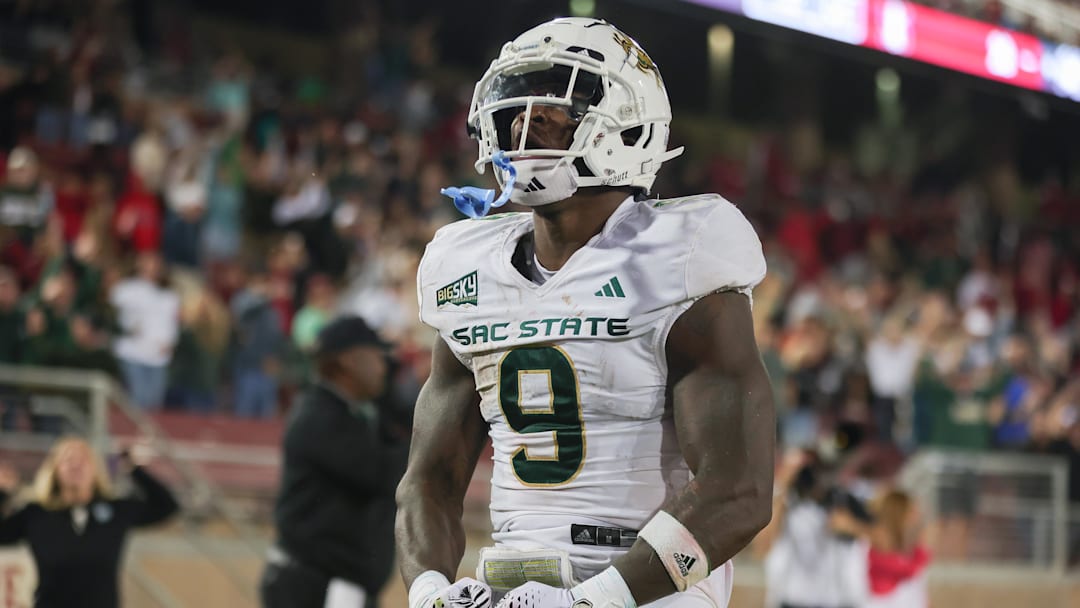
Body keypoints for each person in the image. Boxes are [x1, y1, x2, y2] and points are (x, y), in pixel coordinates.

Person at [395, 17, 774, 608]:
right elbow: (429, 479)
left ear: (627, 126)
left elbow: (738, 490)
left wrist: (597, 600)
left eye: (553, 109)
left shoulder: (680, 252)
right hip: (514, 586)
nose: (524, 124)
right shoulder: (465, 266)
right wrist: (428, 592)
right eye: (516, 111)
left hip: (647, 591)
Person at [261, 316, 410, 608]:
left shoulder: (350, 412)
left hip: (330, 584)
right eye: (377, 355)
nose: (385, 365)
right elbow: (384, 473)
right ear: (350, 361)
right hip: (316, 588)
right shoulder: (320, 417)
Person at [0, 436, 179, 608]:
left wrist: (133, 468)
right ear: (55, 469)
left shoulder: (116, 510)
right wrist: (2, 494)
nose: (76, 465)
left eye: (83, 459)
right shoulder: (36, 513)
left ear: (95, 469)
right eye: (68, 459)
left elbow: (167, 507)